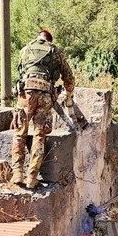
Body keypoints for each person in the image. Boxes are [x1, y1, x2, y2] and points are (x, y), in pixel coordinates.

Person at [10, 30, 75, 189]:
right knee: (39, 135)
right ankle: (32, 177)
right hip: (45, 96)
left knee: (20, 132)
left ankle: (17, 173)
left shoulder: (25, 50)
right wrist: (69, 94)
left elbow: (21, 74)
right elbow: (69, 77)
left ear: (38, 38)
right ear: (49, 40)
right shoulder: (56, 51)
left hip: (25, 94)